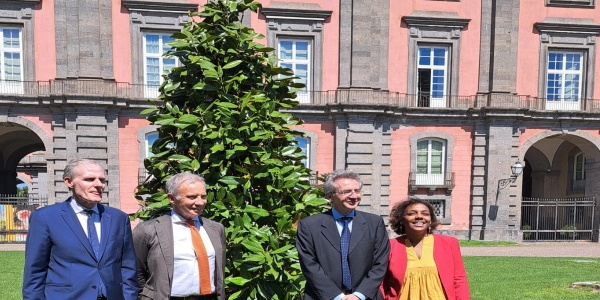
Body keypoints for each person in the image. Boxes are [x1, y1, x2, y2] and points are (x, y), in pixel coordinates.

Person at [22, 158, 138, 300]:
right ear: (68, 182)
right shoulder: (45, 218)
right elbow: (35, 271)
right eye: (89, 179)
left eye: (102, 180)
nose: (98, 185)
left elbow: (128, 268)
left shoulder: (118, 218)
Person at [296, 169, 390, 300]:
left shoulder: (374, 223)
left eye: (357, 191)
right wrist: (337, 296)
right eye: (346, 192)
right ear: (329, 196)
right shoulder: (310, 225)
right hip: (323, 297)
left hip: (365, 297)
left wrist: (359, 295)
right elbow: (309, 265)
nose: (354, 196)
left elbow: (380, 263)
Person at [133, 172, 226, 300]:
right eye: (192, 197)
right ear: (172, 198)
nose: (200, 202)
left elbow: (219, 270)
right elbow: (136, 272)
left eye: (203, 196)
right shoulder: (148, 230)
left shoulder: (216, 229)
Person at [380, 199, 470, 300]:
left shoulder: (449, 243)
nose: (419, 216)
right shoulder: (390, 246)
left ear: (430, 219)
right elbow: (382, 283)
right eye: (411, 213)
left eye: (425, 214)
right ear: (401, 220)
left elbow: (459, 279)